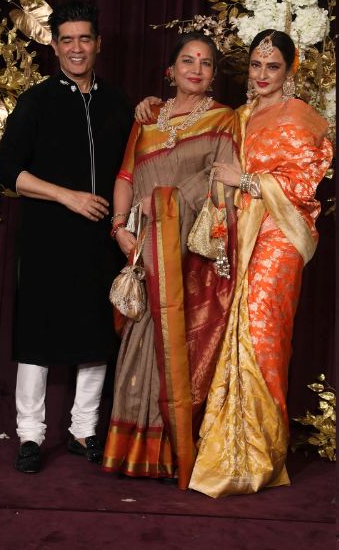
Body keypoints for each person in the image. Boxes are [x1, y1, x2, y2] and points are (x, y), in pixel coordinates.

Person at [129, 30, 332, 497]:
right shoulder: (237, 117)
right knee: (227, 334)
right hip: (237, 234)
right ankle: (225, 450)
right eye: (256, 66)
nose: (262, 75)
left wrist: (245, 180)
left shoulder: (301, 117)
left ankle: (259, 455)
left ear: (289, 71)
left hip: (279, 236)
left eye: (273, 67)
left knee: (262, 335)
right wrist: (153, 106)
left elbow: (303, 185)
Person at [0, 0, 132, 474]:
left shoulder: (118, 103)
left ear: (98, 44)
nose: (76, 48)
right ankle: (30, 436)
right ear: (54, 46)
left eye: (84, 39)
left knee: (96, 334)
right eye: (67, 40)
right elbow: (7, 171)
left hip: (100, 240)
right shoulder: (36, 101)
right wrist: (66, 196)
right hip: (46, 239)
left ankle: (83, 429)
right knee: (37, 335)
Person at [101, 32, 239, 490]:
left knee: (179, 338)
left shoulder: (223, 120)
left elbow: (223, 182)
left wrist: (170, 203)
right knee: (140, 334)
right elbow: (126, 176)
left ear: (214, 75)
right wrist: (119, 228)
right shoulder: (147, 119)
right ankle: (133, 449)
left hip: (188, 252)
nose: (196, 69)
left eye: (205, 63)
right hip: (143, 245)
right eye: (187, 61)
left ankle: (172, 451)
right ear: (171, 70)